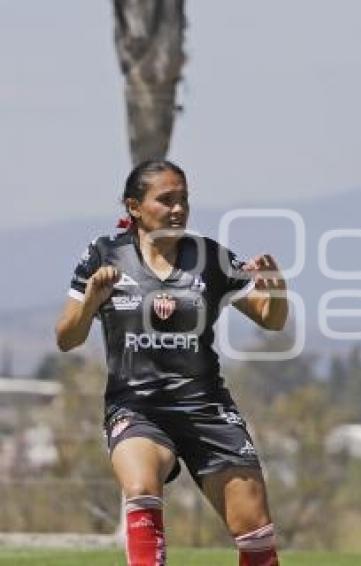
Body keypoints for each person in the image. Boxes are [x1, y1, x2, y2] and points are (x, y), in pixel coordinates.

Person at [55, 160, 287, 566]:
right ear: (134, 206)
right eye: (166, 200)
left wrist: (278, 288)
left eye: (184, 199)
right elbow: (67, 338)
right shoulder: (103, 254)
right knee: (142, 485)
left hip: (207, 409)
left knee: (255, 534)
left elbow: (271, 319)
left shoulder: (210, 257)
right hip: (137, 407)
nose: (179, 209)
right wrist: (92, 299)